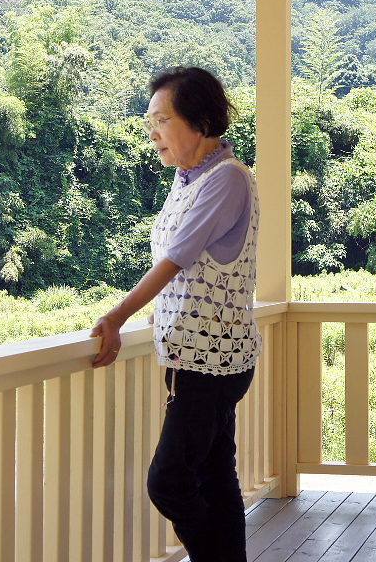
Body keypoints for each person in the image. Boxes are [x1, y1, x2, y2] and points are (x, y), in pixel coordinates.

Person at [89, 66, 261, 562]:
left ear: (201, 120)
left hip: (208, 360)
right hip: (206, 353)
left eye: (163, 120)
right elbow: (190, 270)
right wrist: (159, 314)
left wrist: (117, 315)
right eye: (151, 121)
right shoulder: (191, 177)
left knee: (168, 481)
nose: (153, 132)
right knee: (213, 472)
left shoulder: (226, 178)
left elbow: (177, 258)